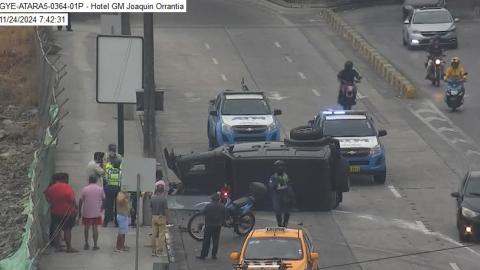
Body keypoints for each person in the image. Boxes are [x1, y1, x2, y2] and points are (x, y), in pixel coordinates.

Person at [44, 172, 78, 253]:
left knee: (56, 228)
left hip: (55, 211)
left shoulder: (51, 187)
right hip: (67, 212)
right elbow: (72, 200)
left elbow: (46, 194)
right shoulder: (67, 187)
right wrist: (76, 208)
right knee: (67, 229)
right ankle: (69, 247)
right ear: (64, 179)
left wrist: (50, 203)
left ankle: (57, 247)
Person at [196, 193, 226, 260]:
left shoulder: (208, 206)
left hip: (209, 226)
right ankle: (214, 255)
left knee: (206, 241)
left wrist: (200, 211)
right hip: (218, 226)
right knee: (216, 241)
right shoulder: (222, 206)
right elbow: (225, 216)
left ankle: (203, 255)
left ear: (212, 199)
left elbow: (203, 212)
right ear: (219, 199)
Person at [78, 175, 105, 250]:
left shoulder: (85, 189)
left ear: (89, 180)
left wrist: (79, 211)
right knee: (95, 228)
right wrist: (102, 207)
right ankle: (95, 244)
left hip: (86, 211)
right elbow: (104, 199)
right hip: (96, 211)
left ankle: (86, 243)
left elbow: (81, 200)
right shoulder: (100, 189)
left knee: (86, 228)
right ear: (96, 180)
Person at [268, 160, 294, 228]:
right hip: (276, 196)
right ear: (275, 168)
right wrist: (277, 183)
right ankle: (279, 224)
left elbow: (289, 185)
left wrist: (291, 195)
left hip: (285, 195)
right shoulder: (273, 177)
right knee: (278, 211)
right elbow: (270, 185)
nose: (280, 168)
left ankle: (285, 224)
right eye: (279, 166)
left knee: (286, 210)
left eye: (282, 166)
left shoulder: (286, 176)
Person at [150, 184, 170, 257]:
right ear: (163, 190)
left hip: (154, 216)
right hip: (161, 217)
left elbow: (151, 207)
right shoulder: (164, 199)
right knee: (161, 235)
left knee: (154, 234)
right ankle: (159, 251)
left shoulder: (152, 197)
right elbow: (166, 210)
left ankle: (153, 250)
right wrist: (167, 219)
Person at [103, 160, 122, 227]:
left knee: (108, 206)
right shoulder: (120, 172)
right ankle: (117, 223)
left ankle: (106, 222)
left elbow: (105, 179)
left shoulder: (109, 171)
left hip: (109, 189)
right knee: (118, 206)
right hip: (117, 189)